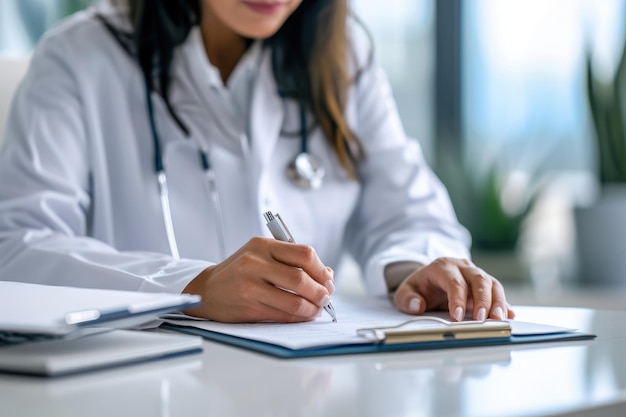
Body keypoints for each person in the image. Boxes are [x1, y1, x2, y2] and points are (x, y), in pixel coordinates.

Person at [0, 0, 514, 323]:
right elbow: (16, 247)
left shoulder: (343, 53)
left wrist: (419, 266)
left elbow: (408, 210)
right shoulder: (77, 58)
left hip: (304, 389)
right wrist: (191, 287)